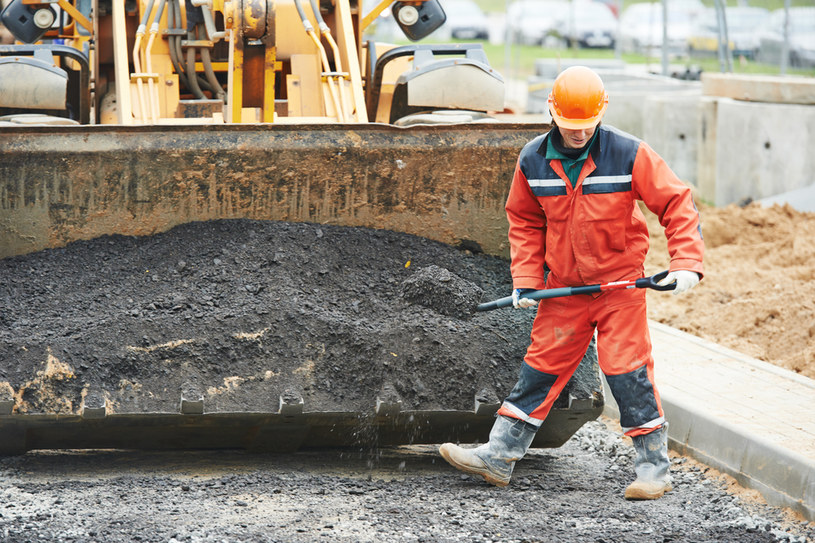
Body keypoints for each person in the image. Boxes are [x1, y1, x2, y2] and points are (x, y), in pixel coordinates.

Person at [439, 65, 704, 500]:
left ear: (602, 114)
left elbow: (676, 201)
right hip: (563, 289)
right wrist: (525, 279)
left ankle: (654, 469)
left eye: (586, 126)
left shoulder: (629, 154)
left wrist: (686, 262)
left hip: (620, 288)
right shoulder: (533, 160)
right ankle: (499, 455)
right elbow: (523, 221)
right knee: (541, 369)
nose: (578, 134)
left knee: (626, 371)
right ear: (551, 113)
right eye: (569, 126)